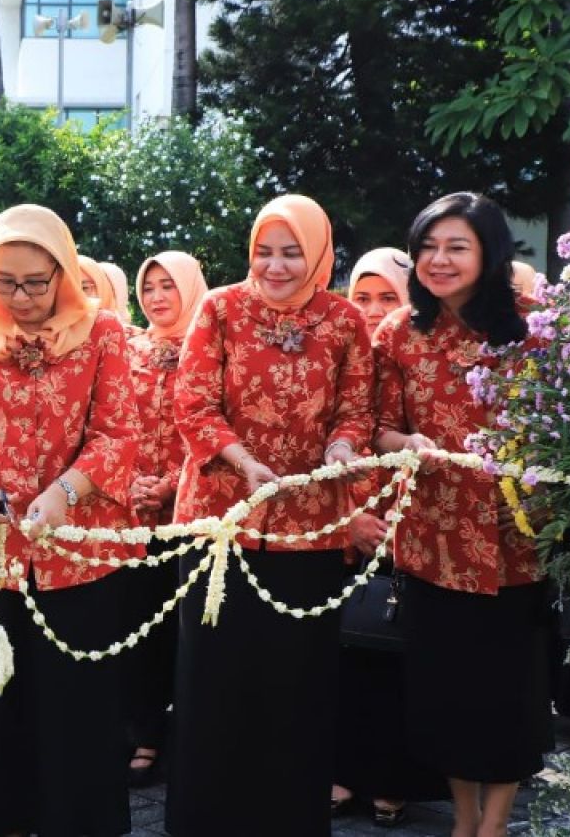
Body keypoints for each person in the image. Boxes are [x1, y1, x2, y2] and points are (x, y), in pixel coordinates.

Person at [0, 203, 140, 836]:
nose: (19, 298)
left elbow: (117, 432)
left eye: (35, 283)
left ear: (64, 273)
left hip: (79, 555)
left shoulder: (103, 333)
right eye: (4, 282)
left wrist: (64, 494)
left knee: (78, 709)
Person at [168, 194, 375, 837]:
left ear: (317, 255)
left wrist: (341, 449)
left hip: (310, 531)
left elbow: (356, 408)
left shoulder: (344, 321)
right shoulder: (220, 308)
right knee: (214, 681)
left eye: (291, 252)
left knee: (296, 686)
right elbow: (192, 402)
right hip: (221, 525)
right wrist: (241, 461)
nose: (276, 266)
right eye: (265, 251)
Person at [373, 192, 552, 837]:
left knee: (508, 695)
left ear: (490, 252)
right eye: (427, 247)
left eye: (457, 246)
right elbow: (381, 429)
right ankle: (464, 818)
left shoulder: (536, 327)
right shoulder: (398, 332)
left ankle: (495, 824)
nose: (438, 260)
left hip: (516, 541)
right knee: (444, 694)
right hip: (433, 539)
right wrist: (408, 444)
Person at [332, 247, 444, 827]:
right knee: (345, 661)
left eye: (386, 298)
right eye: (361, 297)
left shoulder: (417, 352)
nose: (373, 310)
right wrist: (347, 514)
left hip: (412, 533)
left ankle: (395, 780)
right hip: (340, 529)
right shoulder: (335, 352)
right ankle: (344, 771)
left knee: (400, 661)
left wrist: (399, 522)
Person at [122, 251, 208, 788]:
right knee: (137, 628)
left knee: (187, 631)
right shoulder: (127, 349)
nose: (156, 296)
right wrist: (132, 480)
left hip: (191, 511)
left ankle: (191, 734)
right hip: (129, 513)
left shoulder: (212, 346)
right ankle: (144, 732)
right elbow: (113, 420)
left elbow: (212, 423)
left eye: (168, 286)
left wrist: (172, 483)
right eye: (148, 286)